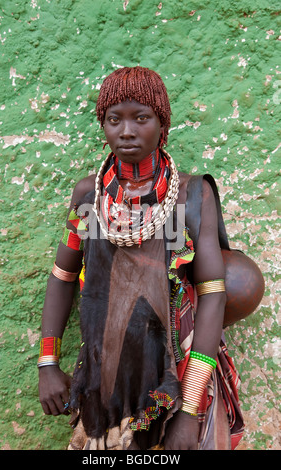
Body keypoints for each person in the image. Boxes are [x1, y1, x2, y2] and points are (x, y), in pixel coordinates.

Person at [38, 66, 244, 450]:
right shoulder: (88, 197)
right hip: (108, 379)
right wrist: (48, 363)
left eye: (141, 118)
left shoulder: (191, 196)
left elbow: (213, 293)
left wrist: (188, 414)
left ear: (162, 123)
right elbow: (63, 276)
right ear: (103, 125)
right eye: (114, 119)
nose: (127, 131)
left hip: (181, 374)